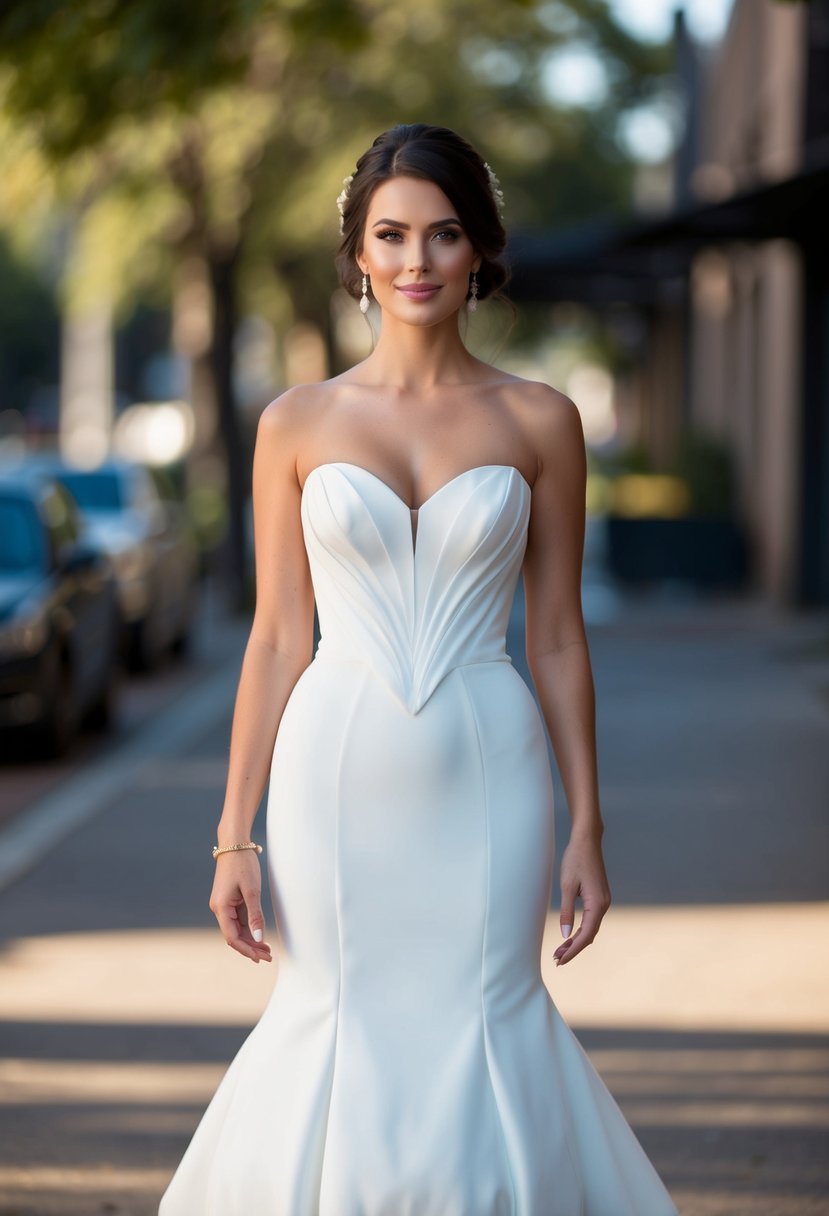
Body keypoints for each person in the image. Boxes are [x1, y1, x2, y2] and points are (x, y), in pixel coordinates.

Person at [159, 123, 677, 1215]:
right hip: (331, 771)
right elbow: (275, 638)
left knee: (491, 1005)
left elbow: (555, 636)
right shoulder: (293, 422)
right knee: (328, 1005)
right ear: (356, 255)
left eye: (443, 235)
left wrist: (587, 822)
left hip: (486, 762)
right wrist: (233, 833)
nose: (416, 261)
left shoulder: (542, 418)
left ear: (480, 251)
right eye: (390, 235)